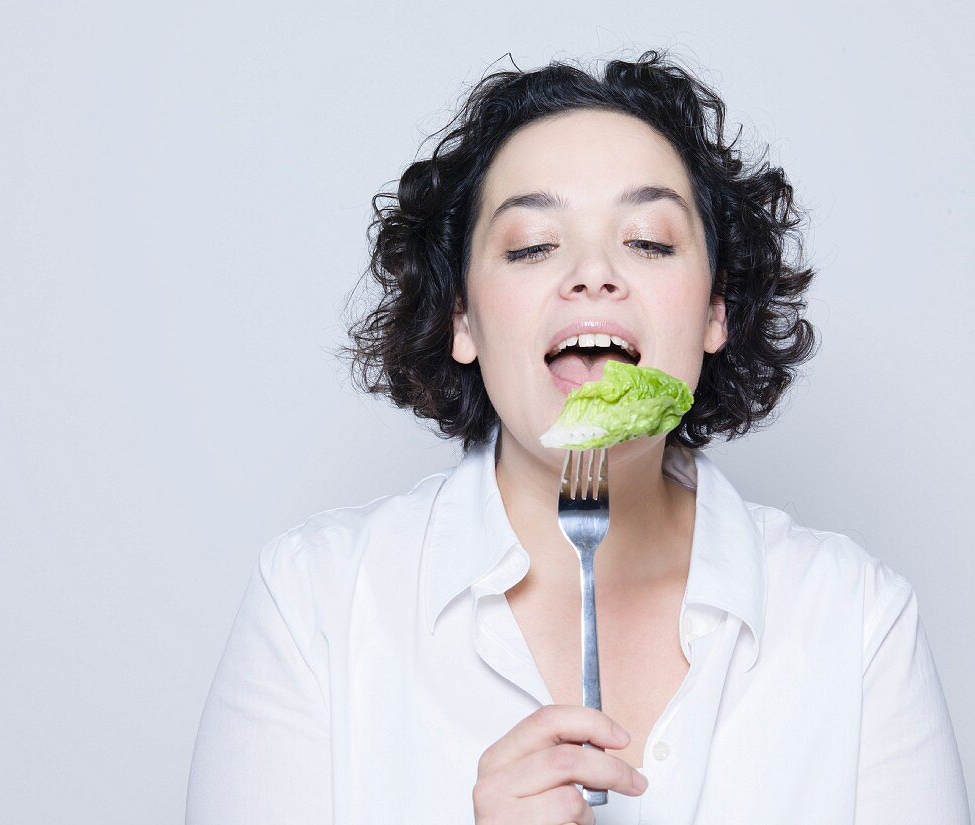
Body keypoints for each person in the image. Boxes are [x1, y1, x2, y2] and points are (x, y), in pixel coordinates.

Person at [185, 50, 969, 824]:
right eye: (531, 245)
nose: (593, 273)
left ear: (714, 311)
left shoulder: (856, 622)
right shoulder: (316, 604)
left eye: (649, 242)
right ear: (463, 316)